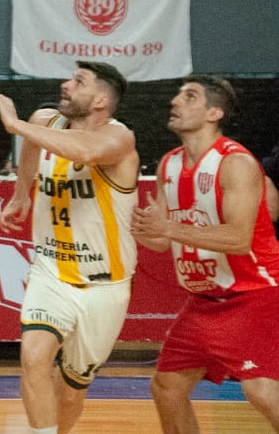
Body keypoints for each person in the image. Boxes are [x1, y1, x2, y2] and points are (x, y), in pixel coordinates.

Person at [0, 62, 139, 434]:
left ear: (101, 100)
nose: (65, 84)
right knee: (33, 356)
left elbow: (84, 153)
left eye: (78, 81)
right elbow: (33, 145)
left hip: (104, 284)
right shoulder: (44, 121)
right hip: (51, 271)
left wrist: (14, 124)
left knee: (72, 393)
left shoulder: (120, 139)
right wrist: (21, 192)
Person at [131, 76, 279, 433]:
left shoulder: (235, 163)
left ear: (214, 113)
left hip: (254, 294)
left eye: (189, 96)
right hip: (203, 302)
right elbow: (164, 240)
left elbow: (239, 240)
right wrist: (144, 230)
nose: (175, 101)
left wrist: (168, 228)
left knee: (261, 390)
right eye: (178, 95)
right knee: (167, 387)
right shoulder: (169, 164)